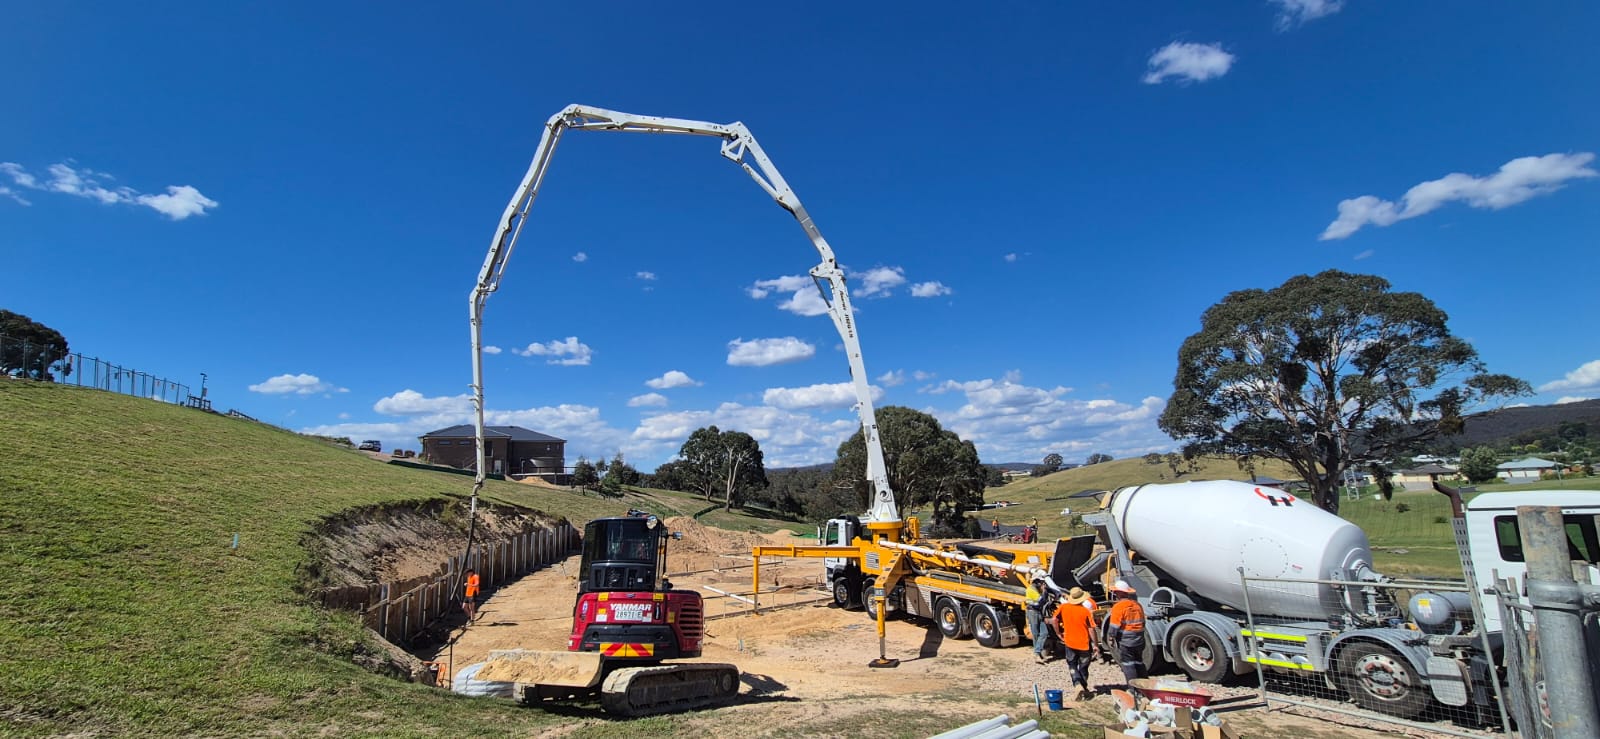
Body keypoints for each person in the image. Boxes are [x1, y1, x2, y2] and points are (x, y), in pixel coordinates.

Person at [1055, 587, 1099, 700]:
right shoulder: (1085, 611)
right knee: (1084, 667)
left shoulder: (1063, 607)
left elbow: (1054, 619)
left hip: (1070, 642)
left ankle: (1077, 685)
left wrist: (1058, 633)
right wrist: (1095, 645)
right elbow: (1091, 629)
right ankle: (1083, 687)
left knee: (1072, 664)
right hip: (1084, 644)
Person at [1106, 579, 1146, 686]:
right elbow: (1143, 622)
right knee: (1139, 662)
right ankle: (1146, 687)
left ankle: (1133, 689)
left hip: (1125, 641)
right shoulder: (1137, 605)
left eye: (1115, 591)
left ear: (1119, 593)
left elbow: (1114, 627)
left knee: (1128, 664)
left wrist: (1111, 638)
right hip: (1139, 639)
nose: (1114, 593)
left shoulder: (1118, 607)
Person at [1024, 572, 1051, 663]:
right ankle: (1037, 655)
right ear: (1036, 582)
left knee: (1044, 633)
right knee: (1036, 634)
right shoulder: (1031, 590)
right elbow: (1041, 601)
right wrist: (1044, 591)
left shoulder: (1036, 589)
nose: (1042, 584)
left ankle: (1037, 652)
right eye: (1041, 582)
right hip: (1033, 613)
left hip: (1038, 612)